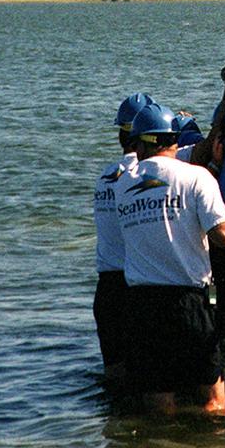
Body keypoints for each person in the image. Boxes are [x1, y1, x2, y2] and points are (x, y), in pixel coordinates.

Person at [115, 99, 225, 414]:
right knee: (213, 400)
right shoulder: (195, 178)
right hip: (185, 302)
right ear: (173, 140)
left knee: (159, 402)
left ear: (139, 143)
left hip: (140, 305)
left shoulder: (124, 183)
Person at [92, 91, 151, 378]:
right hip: (135, 287)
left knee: (114, 374)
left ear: (120, 134)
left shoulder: (104, 175)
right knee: (147, 377)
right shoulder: (141, 174)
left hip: (106, 289)